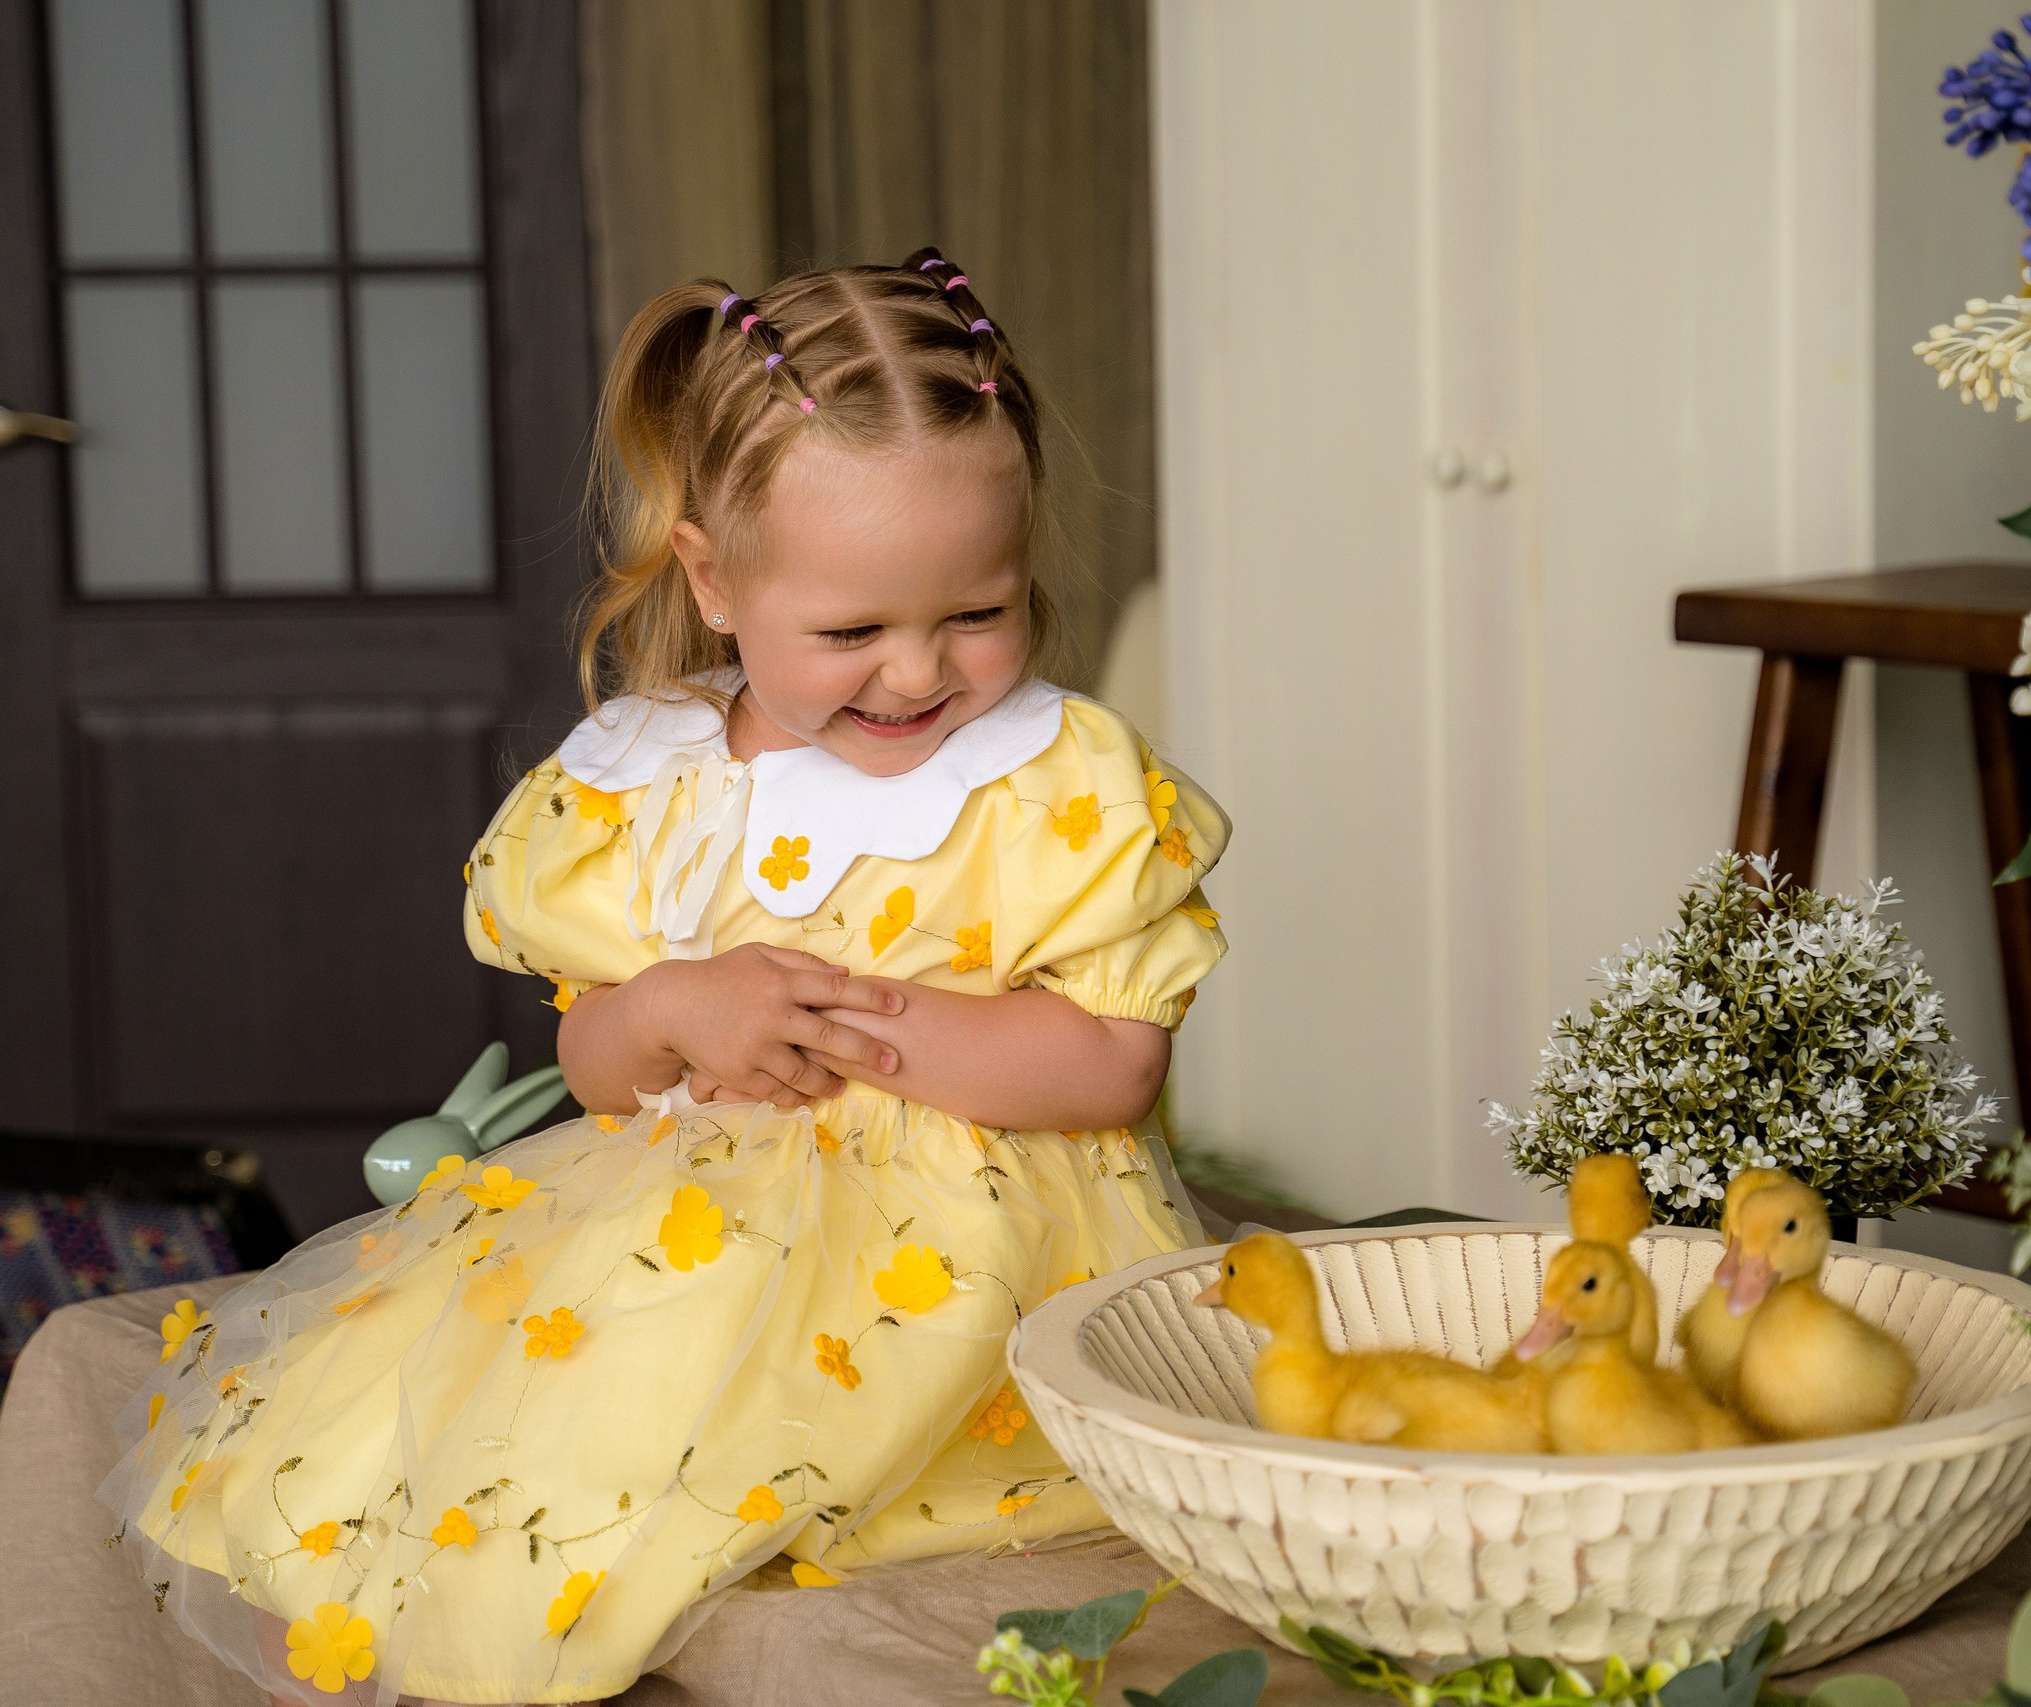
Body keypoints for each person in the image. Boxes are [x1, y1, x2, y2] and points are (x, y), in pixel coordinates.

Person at [100, 252, 1228, 1706]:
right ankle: (391, 1624)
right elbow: (593, 1066)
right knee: (463, 1408)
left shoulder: (1051, 782)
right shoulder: (656, 779)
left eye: (975, 614)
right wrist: (672, 1014)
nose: (913, 675)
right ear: (713, 579)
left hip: (971, 1240)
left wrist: (841, 1025)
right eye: (849, 632)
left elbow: (1109, 1063)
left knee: (722, 1434)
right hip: (683, 1206)